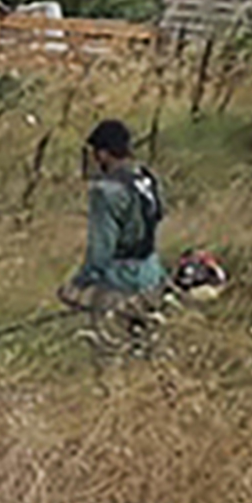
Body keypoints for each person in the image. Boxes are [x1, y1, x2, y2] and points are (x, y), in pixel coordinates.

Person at [58, 118, 169, 351]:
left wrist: (78, 285)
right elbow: (159, 214)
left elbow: (101, 250)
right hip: (152, 276)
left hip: (119, 283)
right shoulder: (146, 178)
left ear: (104, 153)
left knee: (111, 354)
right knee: (147, 350)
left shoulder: (105, 191)